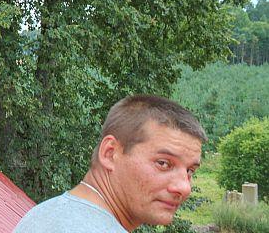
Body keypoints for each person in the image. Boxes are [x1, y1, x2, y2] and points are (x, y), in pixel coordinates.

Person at [14, 95, 206, 233]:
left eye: (190, 171)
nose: (184, 188)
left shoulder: (43, 215)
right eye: (163, 163)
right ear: (109, 153)